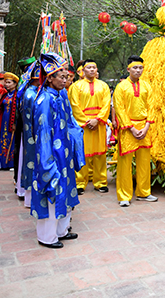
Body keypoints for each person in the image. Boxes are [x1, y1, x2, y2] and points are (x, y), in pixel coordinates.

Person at [31, 53, 85, 249]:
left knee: (66, 190)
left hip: (65, 154)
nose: (65, 80)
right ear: (49, 78)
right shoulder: (44, 100)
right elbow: (43, 134)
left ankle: (62, 230)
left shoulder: (61, 95)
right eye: (60, 76)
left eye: (66, 76)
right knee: (52, 192)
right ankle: (47, 237)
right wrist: (46, 163)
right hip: (52, 156)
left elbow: (70, 122)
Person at [113, 55, 156, 206]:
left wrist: (146, 127)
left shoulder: (147, 86)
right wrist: (130, 127)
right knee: (125, 163)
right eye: (135, 68)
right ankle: (124, 196)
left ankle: (144, 192)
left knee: (144, 162)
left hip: (144, 127)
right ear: (128, 69)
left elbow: (152, 107)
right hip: (127, 129)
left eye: (140, 68)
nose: (138, 70)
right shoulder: (121, 87)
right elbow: (119, 109)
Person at [68, 59, 111, 195]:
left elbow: (106, 104)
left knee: (100, 154)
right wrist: (87, 121)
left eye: (94, 67)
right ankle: (80, 183)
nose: (92, 70)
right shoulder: (76, 86)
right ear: (83, 70)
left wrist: (97, 120)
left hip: (99, 124)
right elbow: (74, 105)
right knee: (83, 154)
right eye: (89, 67)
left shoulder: (103, 86)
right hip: (84, 125)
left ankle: (101, 182)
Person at [18, 61, 40, 208]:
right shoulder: (31, 94)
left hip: (34, 134)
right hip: (33, 135)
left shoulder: (34, 92)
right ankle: (31, 197)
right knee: (32, 161)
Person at [0, 72, 20, 170]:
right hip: (4, 121)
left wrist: (15, 122)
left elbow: (19, 110)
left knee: (12, 140)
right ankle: (3, 163)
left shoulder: (18, 95)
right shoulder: (6, 95)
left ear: (15, 84)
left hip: (12, 121)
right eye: (6, 82)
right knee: (4, 139)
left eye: (9, 82)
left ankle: (11, 163)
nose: (6, 84)